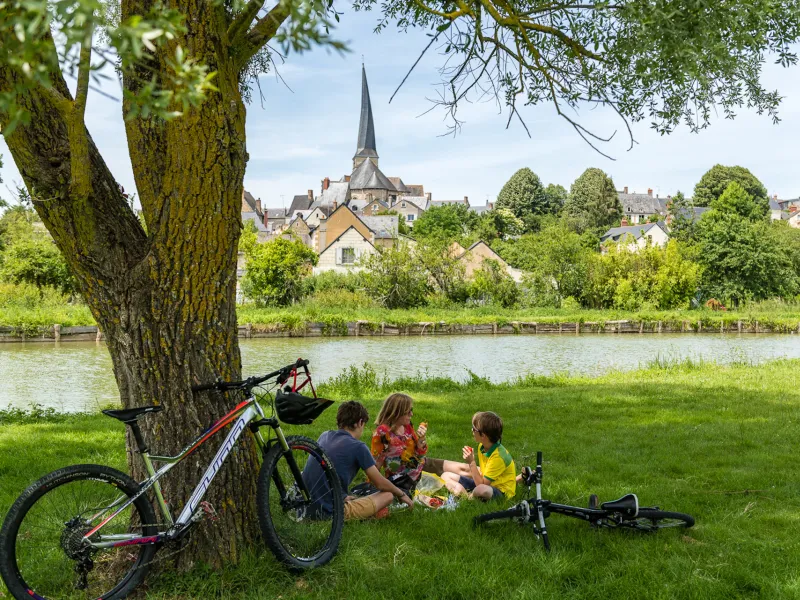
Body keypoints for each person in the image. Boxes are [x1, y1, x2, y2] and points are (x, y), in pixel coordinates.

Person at [303, 400, 414, 520]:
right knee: (388, 495)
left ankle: (343, 497)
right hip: (327, 511)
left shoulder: (325, 435)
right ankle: (364, 515)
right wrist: (401, 494)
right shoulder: (358, 446)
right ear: (360, 422)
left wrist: (343, 496)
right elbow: (379, 483)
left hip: (305, 503)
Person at [439, 411, 516, 501]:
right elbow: (482, 479)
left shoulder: (498, 457)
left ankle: (468, 497)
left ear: (483, 435)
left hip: (501, 492)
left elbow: (481, 485)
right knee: (445, 476)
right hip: (485, 483)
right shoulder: (482, 446)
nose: (472, 430)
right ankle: (467, 497)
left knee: (481, 489)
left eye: (474, 429)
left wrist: (471, 462)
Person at [370, 393, 428, 494]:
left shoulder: (407, 426)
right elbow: (375, 464)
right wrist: (371, 489)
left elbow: (419, 455)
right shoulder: (383, 432)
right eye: (408, 411)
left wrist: (420, 443)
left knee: (460, 468)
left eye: (411, 410)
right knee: (451, 474)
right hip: (403, 479)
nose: (411, 414)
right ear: (397, 412)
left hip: (420, 467)